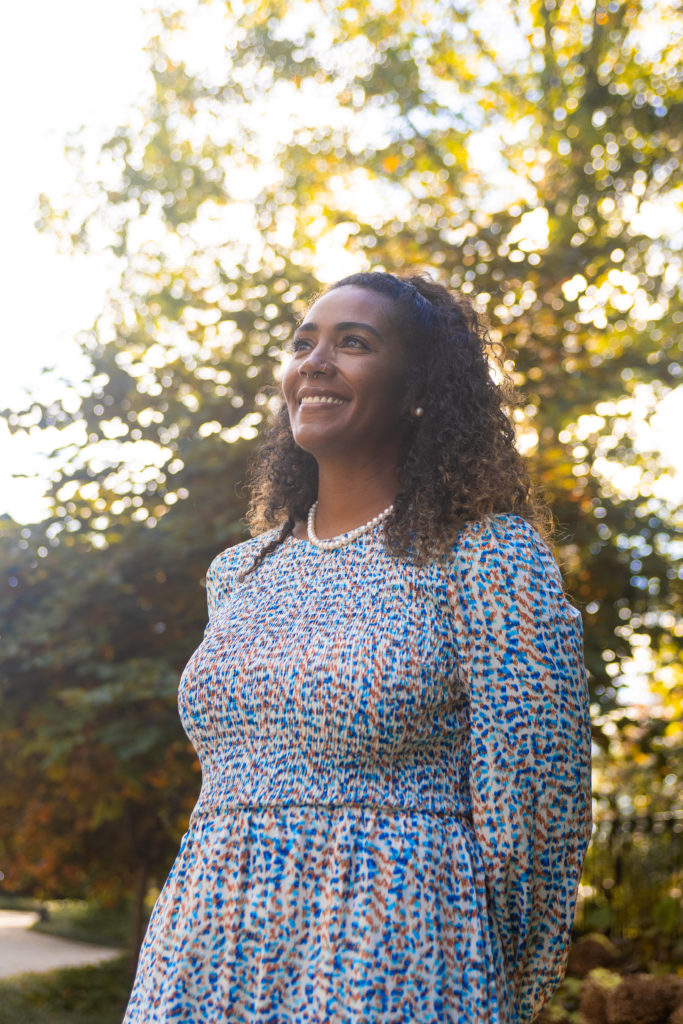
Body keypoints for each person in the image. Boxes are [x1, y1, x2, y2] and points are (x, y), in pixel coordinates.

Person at [123, 271, 592, 1024]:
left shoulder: (488, 558)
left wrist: (488, 976)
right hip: (203, 950)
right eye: (303, 343)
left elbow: (538, 807)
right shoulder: (239, 571)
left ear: (418, 390)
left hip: (395, 949)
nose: (315, 361)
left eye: (353, 343)